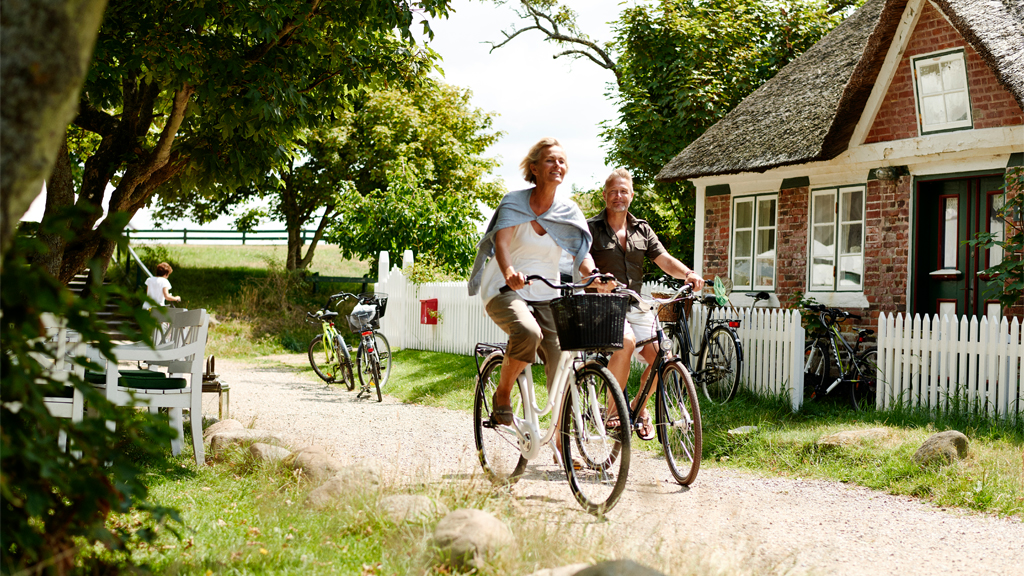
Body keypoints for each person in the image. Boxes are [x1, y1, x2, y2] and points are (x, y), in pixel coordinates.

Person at [468, 137, 593, 435]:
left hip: (546, 293)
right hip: (504, 287)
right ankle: (502, 392)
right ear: (534, 168)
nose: (557, 166)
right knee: (527, 332)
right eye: (550, 160)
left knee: (562, 358)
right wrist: (509, 271)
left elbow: (581, 254)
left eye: (561, 161)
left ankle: (561, 440)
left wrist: (595, 275)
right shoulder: (514, 201)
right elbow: (502, 243)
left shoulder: (568, 211)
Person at [585, 168, 704, 440]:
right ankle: (614, 412)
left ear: (632, 195)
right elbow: (582, 262)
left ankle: (638, 407)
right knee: (625, 345)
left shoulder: (642, 229)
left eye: (624, 191)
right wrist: (594, 278)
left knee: (664, 355)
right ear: (604, 195)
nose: (618, 196)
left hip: (635, 304)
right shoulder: (591, 228)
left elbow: (663, 259)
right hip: (604, 305)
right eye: (613, 191)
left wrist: (688, 273)